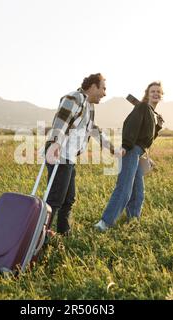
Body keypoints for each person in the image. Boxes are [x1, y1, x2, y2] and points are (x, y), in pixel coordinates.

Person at [45, 73, 118, 236]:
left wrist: (113, 149)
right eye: (103, 88)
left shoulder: (89, 107)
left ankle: (64, 233)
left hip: (68, 156)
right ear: (93, 86)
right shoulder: (75, 97)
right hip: (59, 152)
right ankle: (41, 235)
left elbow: (94, 130)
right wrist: (55, 143)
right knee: (55, 198)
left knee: (68, 198)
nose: (105, 93)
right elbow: (61, 121)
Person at [94, 81, 165, 231]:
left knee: (138, 191)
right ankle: (104, 223)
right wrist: (126, 145)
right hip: (131, 150)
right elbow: (130, 124)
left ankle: (133, 220)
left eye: (159, 92)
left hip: (139, 153)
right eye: (153, 91)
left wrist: (157, 127)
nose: (156, 94)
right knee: (124, 188)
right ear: (147, 93)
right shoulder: (143, 107)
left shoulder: (152, 113)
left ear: (162, 95)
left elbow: (147, 138)